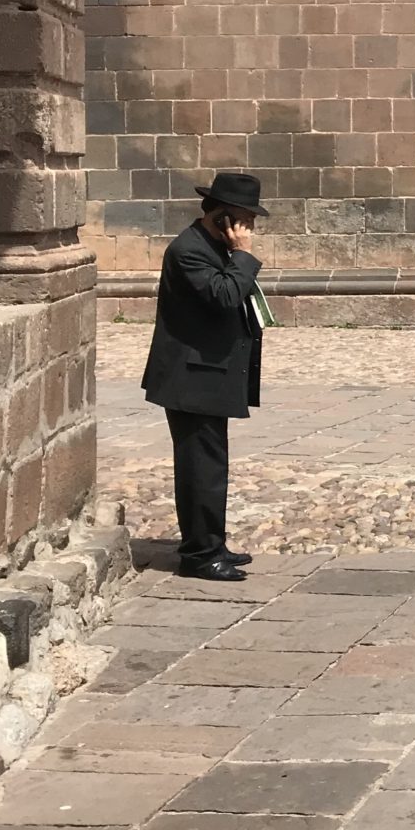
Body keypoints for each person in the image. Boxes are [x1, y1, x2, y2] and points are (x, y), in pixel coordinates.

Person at [142, 172, 271, 583]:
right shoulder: (188, 250)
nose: (249, 228)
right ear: (221, 217)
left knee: (212, 465)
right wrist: (244, 255)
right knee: (201, 468)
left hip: (208, 376)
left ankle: (212, 543)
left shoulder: (212, 248)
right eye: (244, 219)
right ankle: (199, 555)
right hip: (191, 378)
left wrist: (236, 256)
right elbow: (225, 295)